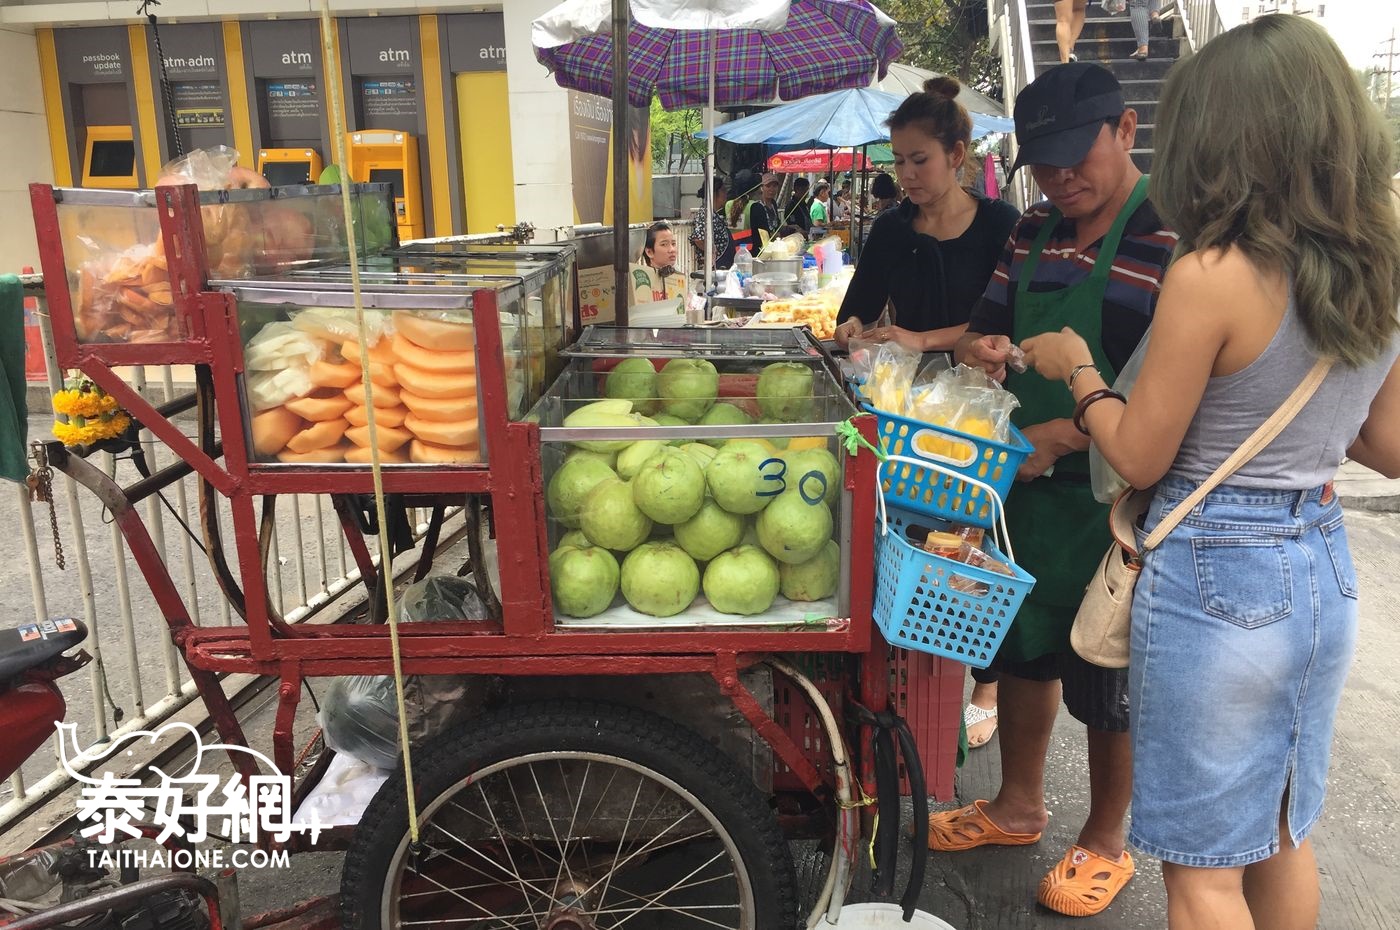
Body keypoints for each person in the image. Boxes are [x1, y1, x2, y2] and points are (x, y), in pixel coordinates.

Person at [1020, 17, 1399, 929]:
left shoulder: (1210, 272)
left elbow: (1140, 452)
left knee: (1199, 873)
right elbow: (1386, 447)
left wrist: (1077, 368)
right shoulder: (1379, 265)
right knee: (1277, 832)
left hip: (1214, 575)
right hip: (1318, 563)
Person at [940, 62, 1178, 919]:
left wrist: (1069, 432)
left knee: (1108, 675)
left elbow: (1174, 389)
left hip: (1118, 499)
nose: (1063, 177)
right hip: (1023, 488)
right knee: (1023, 647)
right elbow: (985, 325)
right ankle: (1018, 806)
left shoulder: (1171, 233)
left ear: (1125, 130)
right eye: (1045, 163)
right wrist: (984, 352)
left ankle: (1106, 838)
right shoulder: (1033, 228)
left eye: (1078, 154)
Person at [834, 77, 1020, 354]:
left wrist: (921, 340)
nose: (907, 174)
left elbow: (1009, 319)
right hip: (905, 389)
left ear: (955, 154)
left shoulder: (1000, 223)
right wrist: (852, 324)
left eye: (920, 160)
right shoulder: (891, 228)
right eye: (899, 160)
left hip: (986, 389)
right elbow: (861, 308)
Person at [628, 221, 683, 306]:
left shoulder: (679, 279)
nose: (672, 249)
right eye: (664, 244)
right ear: (649, 252)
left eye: (673, 244)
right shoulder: (641, 284)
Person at [690, 178, 735, 270]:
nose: (726, 194)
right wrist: (712, 252)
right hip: (715, 268)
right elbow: (698, 239)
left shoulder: (713, 214)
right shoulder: (706, 214)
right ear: (714, 193)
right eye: (723, 190)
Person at [747, 173, 782, 245]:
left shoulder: (773, 204)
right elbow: (759, 231)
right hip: (761, 247)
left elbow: (776, 225)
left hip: (774, 244)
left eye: (774, 186)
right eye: (768, 186)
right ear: (761, 187)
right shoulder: (757, 206)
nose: (771, 190)